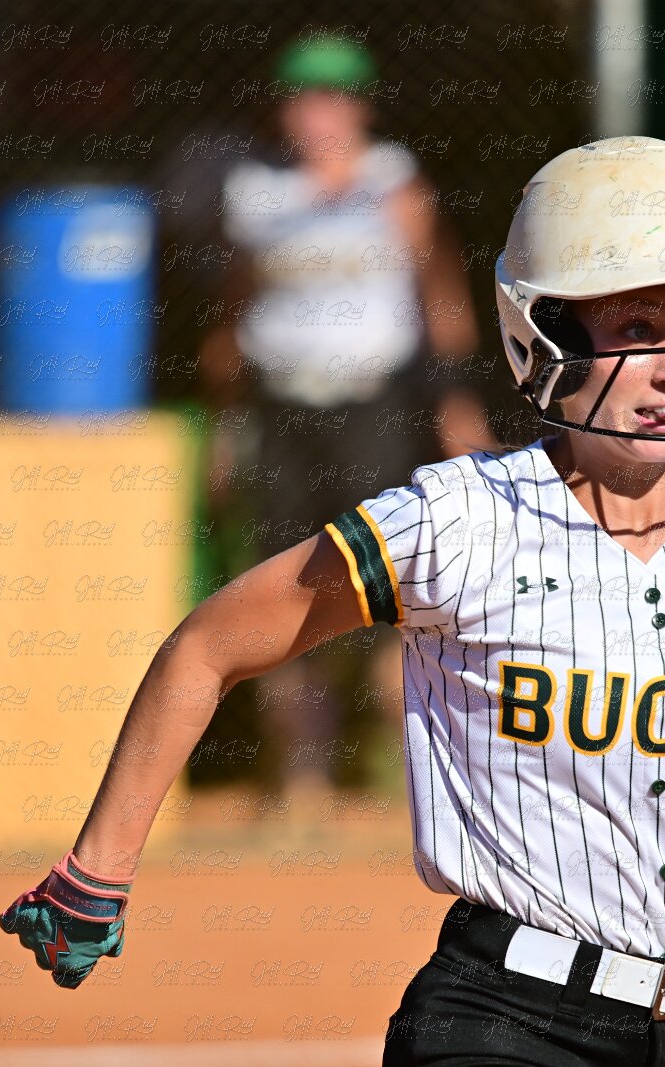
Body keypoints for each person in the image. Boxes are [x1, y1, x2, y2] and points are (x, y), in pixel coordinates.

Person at [0, 136, 665, 1066]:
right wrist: (98, 867)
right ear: (545, 336)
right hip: (498, 1021)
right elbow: (210, 645)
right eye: (639, 330)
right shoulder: (459, 519)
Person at [198, 32, 493, 794]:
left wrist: (457, 403)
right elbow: (233, 314)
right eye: (301, 98)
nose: (315, 114)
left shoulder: (395, 184)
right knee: (276, 582)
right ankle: (302, 772)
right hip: (281, 408)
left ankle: (404, 768)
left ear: (359, 107)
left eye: (331, 98)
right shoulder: (256, 193)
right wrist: (226, 427)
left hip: (372, 406)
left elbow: (441, 297)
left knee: (388, 580)